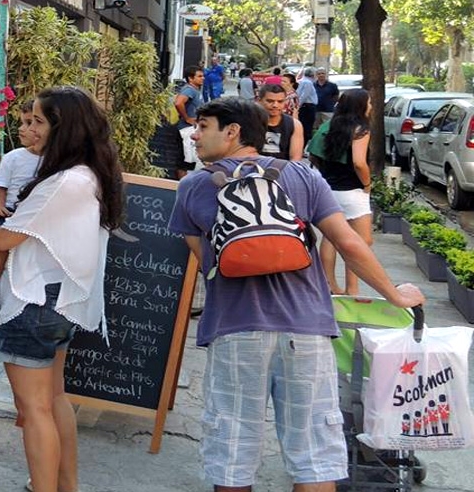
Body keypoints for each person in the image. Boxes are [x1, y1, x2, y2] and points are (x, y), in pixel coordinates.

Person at [168, 97, 424, 492]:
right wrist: (394, 295)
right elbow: (350, 245)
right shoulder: (303, 178)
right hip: (306, 330)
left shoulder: (194, 186)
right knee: (314, 455)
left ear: (232, 131)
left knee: (232, 451)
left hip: (235, 331)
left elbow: (206, 261)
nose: (195, 135)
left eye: (203, 126)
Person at [0, 86, 123, 492]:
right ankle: (66, 486)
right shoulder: (90, 175)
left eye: (39, 120)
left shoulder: (64, 181)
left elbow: (5, 238)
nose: (32, 128)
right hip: (59, 301)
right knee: (54, 400)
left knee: (33, 410)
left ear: (62, 128)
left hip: (34, 301)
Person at [0, 99, 42, 337]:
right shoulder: (14, 157)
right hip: (12, 213)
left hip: (36, 218)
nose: (23, 129)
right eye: (22, 122)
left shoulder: (58, 161)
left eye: (30, 123)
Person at [307, 88, 374, 296]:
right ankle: (352, 289)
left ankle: (329, 286)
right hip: (352, 191)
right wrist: (367, 183)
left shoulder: (328, 126)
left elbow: (312, 155)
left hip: (328, 189)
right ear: (360, 106)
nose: (371, 106)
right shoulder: (361, 129)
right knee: (360, 242)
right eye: (369, 103)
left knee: (331, 239)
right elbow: (358, 162)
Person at [257, 83, 304, 161]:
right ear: (259, 101)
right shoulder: (248, 122)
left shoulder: (295, 125)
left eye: (280, 101)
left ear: (285, 102)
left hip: (282, 169)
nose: (275, 105)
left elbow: (295, 159)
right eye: (270, 101)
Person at [175, 65, 205, 170]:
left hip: (193, 128)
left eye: (203, 76)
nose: (203, 78)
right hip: (186, 129)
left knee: (191, 160)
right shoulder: (189, 90)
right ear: (190, 78)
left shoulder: (196, 90)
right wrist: (187, 118)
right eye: (199, 76)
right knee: (185, 160)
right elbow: (178, 103)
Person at [297, 66, 318, 143]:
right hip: (308, 107)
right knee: (307, 128)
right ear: (312, 75)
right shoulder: (308, 82)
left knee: (304, 126)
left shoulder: (301, 81)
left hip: (305, 106)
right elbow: (304, 95)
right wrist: (298, 105)